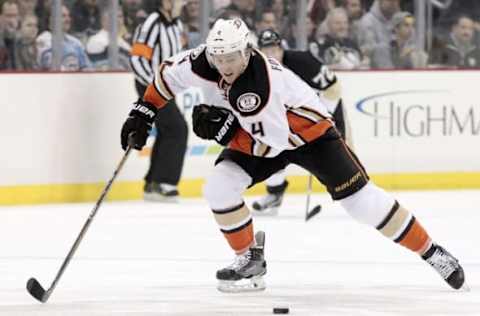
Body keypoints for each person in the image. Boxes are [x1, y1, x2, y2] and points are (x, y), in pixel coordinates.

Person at [120, 18, 466, 293]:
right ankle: (249, 259)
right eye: (219, 58)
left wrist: (224, 132)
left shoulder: (260, 85)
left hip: (310, 136)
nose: (224, 66)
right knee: (219, 188)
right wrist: (144, 110)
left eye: (231, 58)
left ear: (246, 52)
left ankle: (433, 252)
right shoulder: (203, 60)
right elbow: (166, 74)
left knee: (364, 205)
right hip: (261, 136)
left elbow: (270, 145)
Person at [251, 28, 354, 214]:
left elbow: (334, 87)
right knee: (269, 147)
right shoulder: (258, 72)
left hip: (325, 110)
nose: (270, 55)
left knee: (339, 157)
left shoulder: (303, 61)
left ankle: (354, 194)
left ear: (281, 48)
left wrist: (324, 116)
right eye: (265, 51)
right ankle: (274, 194)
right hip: (291, 117)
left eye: (274, 50)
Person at [129, 0, 188, 201]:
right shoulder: (151, 22)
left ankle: (153, 183)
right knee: (178, 129)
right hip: (151, 85)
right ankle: (164, 182)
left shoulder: (177, 24)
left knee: (168, 130)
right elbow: (137, 58)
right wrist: (153, 84)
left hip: (165, 87)